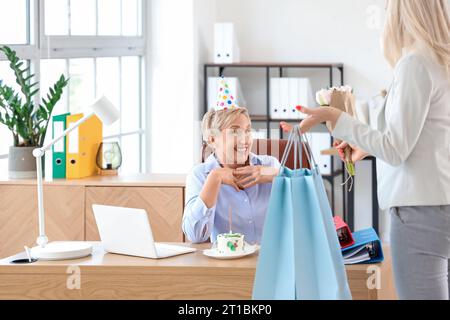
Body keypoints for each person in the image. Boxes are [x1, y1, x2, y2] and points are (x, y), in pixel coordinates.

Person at [282, 0, 450, 300]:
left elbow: (396, 149)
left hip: (418, 213)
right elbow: (424, 141)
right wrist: (365, 147)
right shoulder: (441, 62)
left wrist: (336, 118)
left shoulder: (415, 63)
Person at [183, 106, 280, 244]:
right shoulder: (200, 175)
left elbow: (304, 207)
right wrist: (214, 178)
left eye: (247, 131)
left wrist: (278, 175)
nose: (244, 139)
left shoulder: (270, 165)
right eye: (235, 131)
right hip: (229, 264)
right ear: (212, 140)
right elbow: (195, 236)